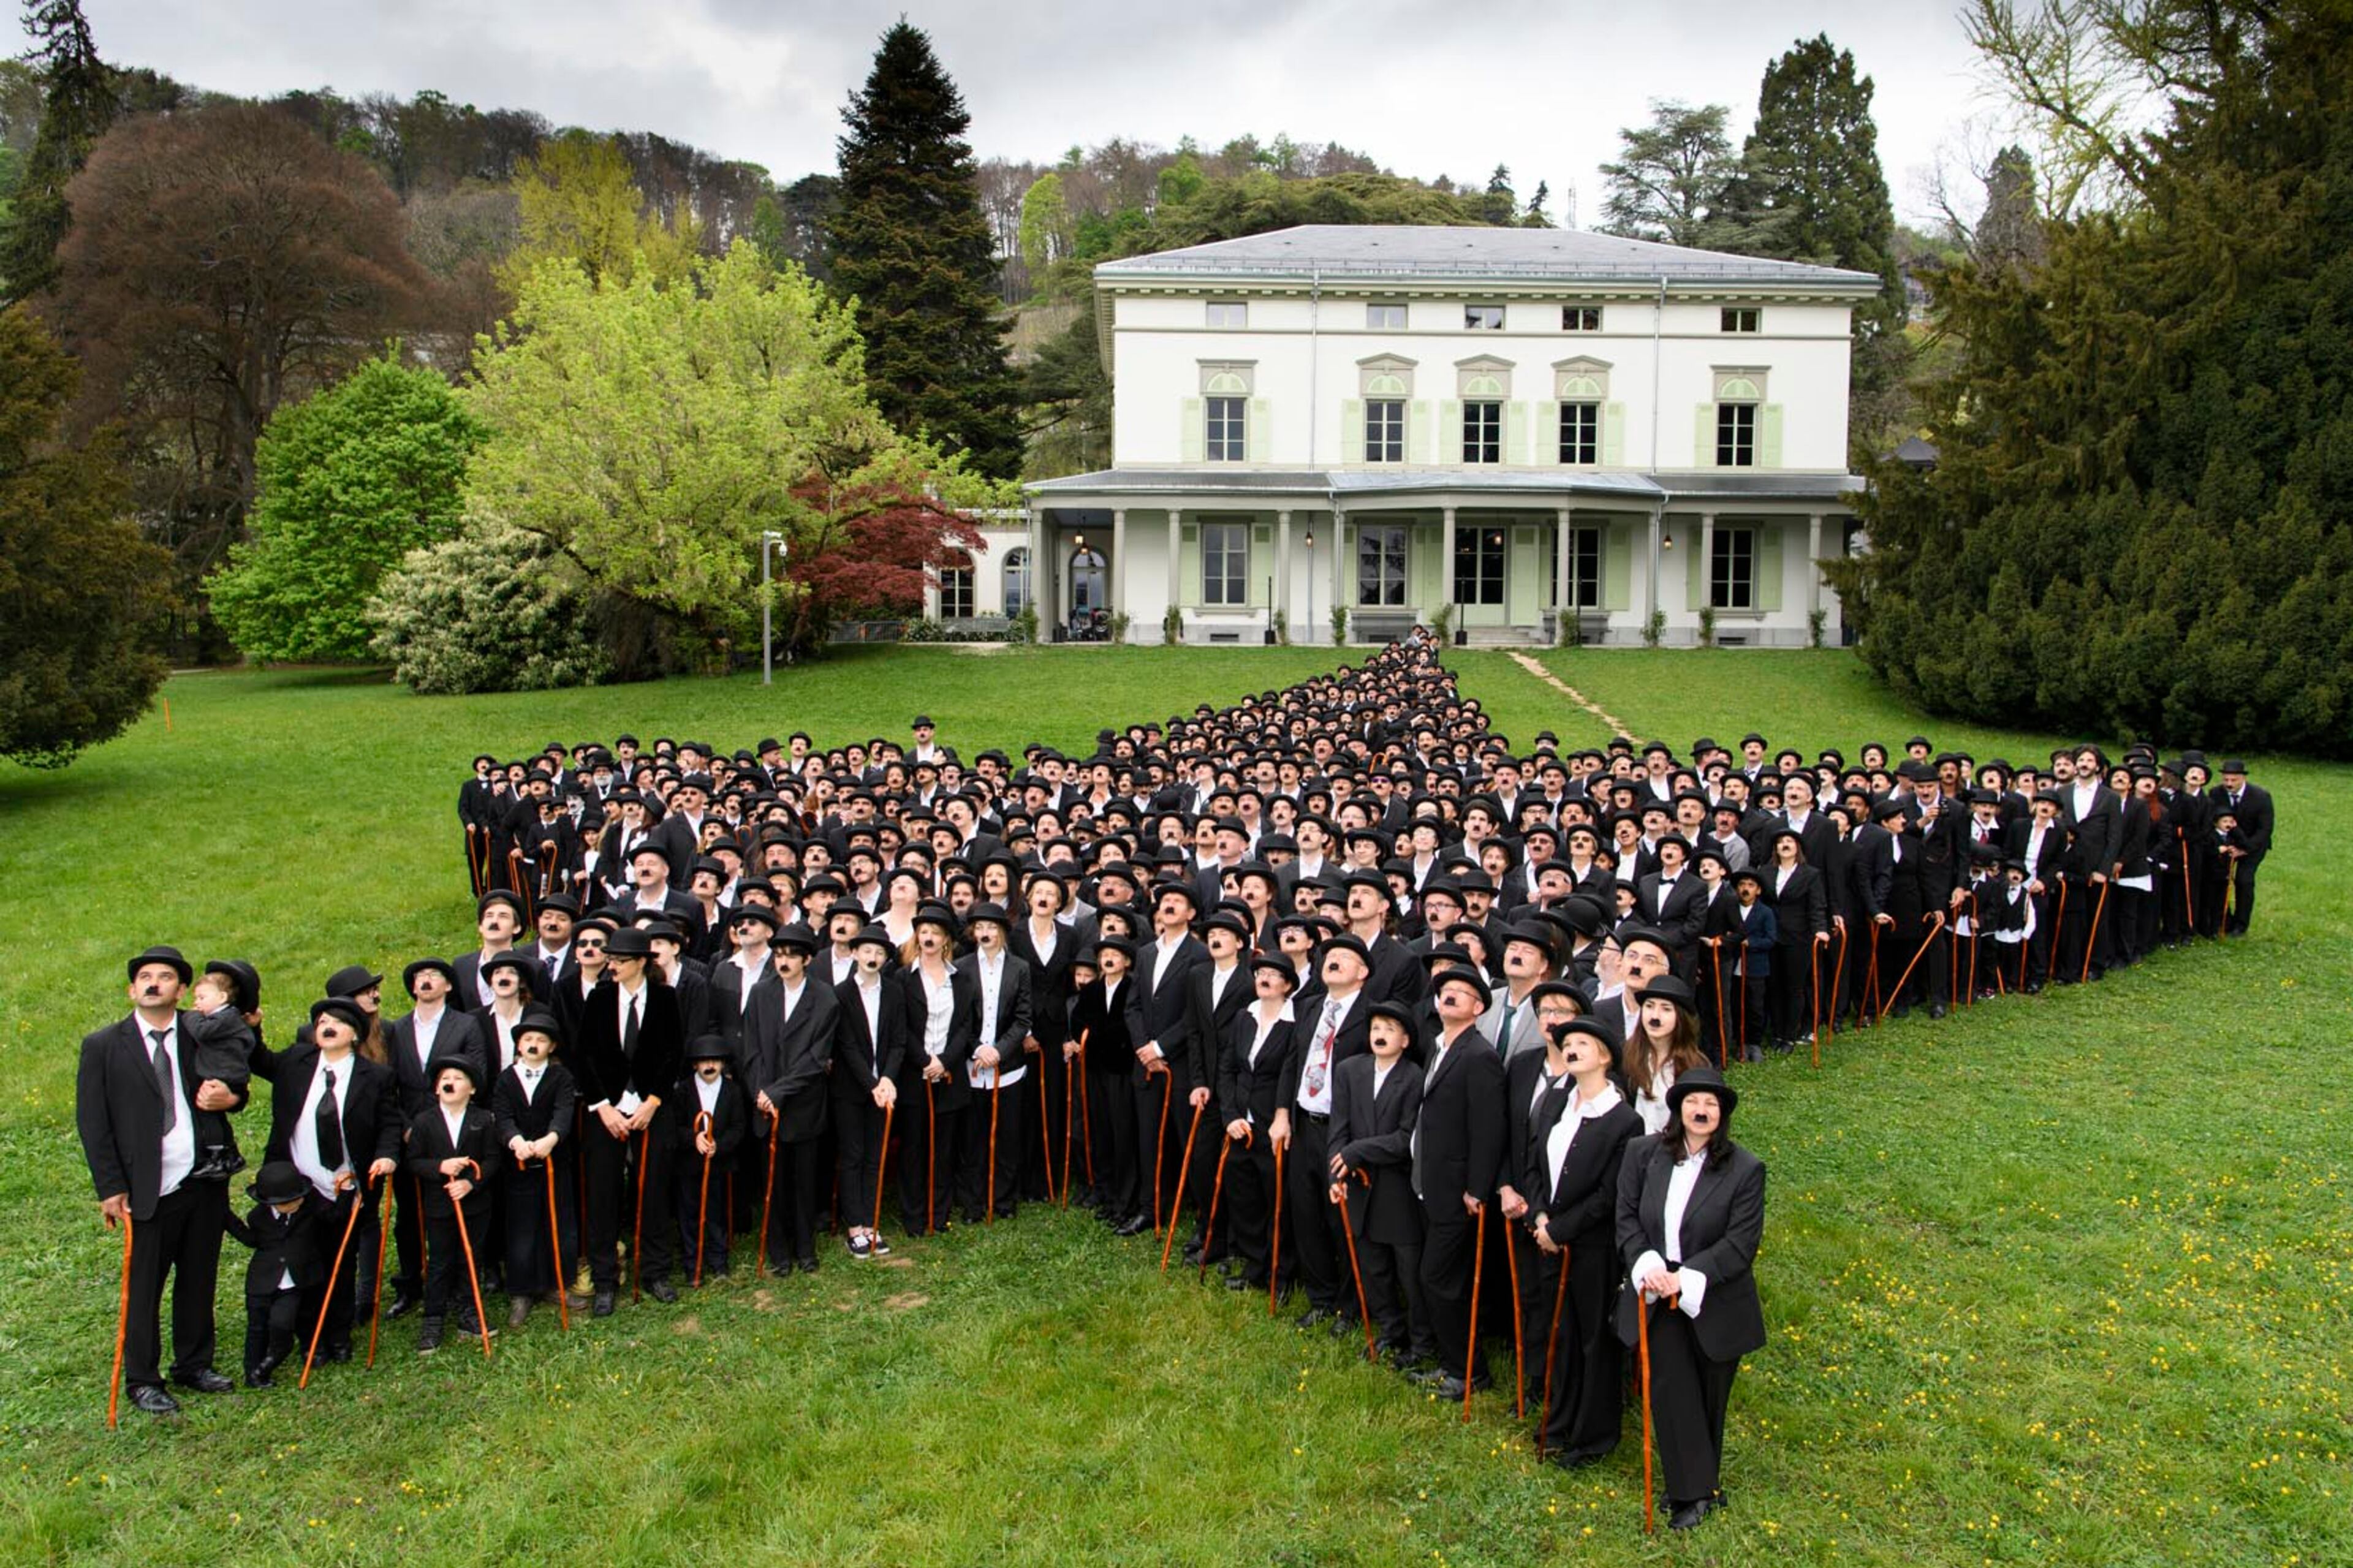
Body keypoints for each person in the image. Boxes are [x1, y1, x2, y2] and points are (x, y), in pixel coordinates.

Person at [77, 945, 248, 1414]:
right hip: (146, 1188)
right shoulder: (104, 1046)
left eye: (166, 976)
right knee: (145, 1285)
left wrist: (230, 1098)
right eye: (145, 977)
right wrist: (111, 1186)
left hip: (203, 1179)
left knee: (199, 1277)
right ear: (133, 989)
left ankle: (193, 1363)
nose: (154, 982)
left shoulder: (199, 1036)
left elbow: (238, 1083)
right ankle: (143, 1377)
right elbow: (93, 1122)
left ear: (181, 990)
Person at [1615, 1064, 1766, 1531]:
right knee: (1671, 1387)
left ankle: (1703, 1481)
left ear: (1722, 1115)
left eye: (1711, 1104)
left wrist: (1689, 1277)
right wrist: (1650, 1267)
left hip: (1714, 1295)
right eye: (1693, 1102)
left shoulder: (1746, 1168)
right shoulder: (1642, 1153)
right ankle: (1691, 1493)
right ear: (1677, 1108)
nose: (1701, 1110)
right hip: (1656, 1286)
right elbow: (1625, 1217)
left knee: (1709, 1394)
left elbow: (1741, 1243)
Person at [251, 995, 403, 1366]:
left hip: (346, 1187)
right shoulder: (296, 1064)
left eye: (337, 1021)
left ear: (354, 1034)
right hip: (299, 1188)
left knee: (341, 1263)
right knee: (304, 1264)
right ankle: (310, 1339)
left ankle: (338, 1335)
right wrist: (253, 1029)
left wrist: (387, 1155)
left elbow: (390, 1122)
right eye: (321, 1021)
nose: (327, 1026)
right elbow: (258, 1061)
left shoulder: (375, 1076)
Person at [1531, 1016, 1640, 1466]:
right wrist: (1540, 1215)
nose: (1571, 1049)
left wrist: (1560, 1230)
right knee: (1559, 1330)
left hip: (1592, 1247)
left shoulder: (1623, 1121)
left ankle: (1592, 1436)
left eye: (1582, 1043)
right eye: (1567, 1043)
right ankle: (1557, 1422)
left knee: (1592, 1338)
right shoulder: (1558, 1103)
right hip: (1547, 1234)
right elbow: (1534, 1158)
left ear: (1606, 1056)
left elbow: (1608, 1195)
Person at [1406, 965, 1506, 1402]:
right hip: (1429, 1179)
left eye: (1461, 993)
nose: (1448, 997)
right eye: (1445, 991)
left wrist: (1477, 1188)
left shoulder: (1479, 1055)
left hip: (1457, 1189)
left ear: (1479, 1007)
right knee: (1439, 1279)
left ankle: (1469, 1371)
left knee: (1440, 1279)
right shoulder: (1438, 1046)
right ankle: (1451, 1362)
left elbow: (1489, 1129)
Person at [574, 925, 685, 1311]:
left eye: (620, 961)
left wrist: (652, 1102)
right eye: (611, 960)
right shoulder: (600, 999)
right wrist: (603, 1106)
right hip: (606, 1110)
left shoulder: (665, 998)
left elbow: (673, 1054)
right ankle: (605, 1279)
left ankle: (654, 1272)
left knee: (653, 1189)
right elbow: (584, 1057)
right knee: (602, 1193)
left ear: (641, 962)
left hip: (651, 1108)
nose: (612, 967)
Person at [1328, 999, 1427, 1368]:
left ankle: (1421, 1341)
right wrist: (1335, 1174)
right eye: (1375, 1029)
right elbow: (1337, 1130)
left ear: (1404, 1040)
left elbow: (1406, 1140)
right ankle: (1389, 1329)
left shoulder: (1414, 1077)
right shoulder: (1350, 1070)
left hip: (1397, 1189)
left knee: (1408, 1270)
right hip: (1358, 1187)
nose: (1380, 1035)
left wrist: (1358, 1151)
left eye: (1389, 1029)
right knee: (1372, 1266)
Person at [746, 922, 838, 1274]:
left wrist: (778, 1091)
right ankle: (778, 1251)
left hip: (803, 1105)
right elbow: (751, 1050)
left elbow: (817, 1058)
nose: (783, 962)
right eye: (779, 955)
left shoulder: (825, 998)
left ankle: (805, 1248)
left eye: (791, 956)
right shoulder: (760, 993)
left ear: (808, 959)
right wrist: (760, 1092)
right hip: (766, 1105)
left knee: (804, 1182)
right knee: (775, 1182)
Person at [492, 1009, 583, 1327]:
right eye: (527, 1039)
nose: (533, 1045)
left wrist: (552, 1139)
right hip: (517, 1164)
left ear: (551, 1047)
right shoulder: (506, 1079)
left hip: (553, 1161)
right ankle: (522, 1290)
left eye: (541, 1040)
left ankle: (557, 1283)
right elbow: (502, 1115)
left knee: (557, 1221)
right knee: (521, 1226)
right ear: (518, 1045)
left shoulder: (560, 1077)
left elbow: (563, 1111)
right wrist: (515, 1140)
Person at [406, 1054, 499, 1353]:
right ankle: (433, 1319)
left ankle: (470, 1313)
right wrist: (440, 1167)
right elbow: (414, 1161)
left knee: (471, 1257)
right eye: (445, 1079)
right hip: (439, 1206)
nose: (450, 1083)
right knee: (440, 1262)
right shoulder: (424, 1121)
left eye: (458, 1079)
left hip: (475, 1205)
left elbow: (493, 1160)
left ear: (472, 1090)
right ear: (436, 1088)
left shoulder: (483, 1120)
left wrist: (470, 1183)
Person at [222, 1160, 328, 1388]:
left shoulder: (310, 1211)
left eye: (299, 1198)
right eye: (289, 1202)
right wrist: (226, 1218)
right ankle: (253, 1371)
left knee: (283, 1323)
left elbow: (333, 1218)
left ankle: (272, 1362)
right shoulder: (257, 1218)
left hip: (293, 1283)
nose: (296, 1204)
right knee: (257, 1327)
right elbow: (252, 1240)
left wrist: (348, 1194)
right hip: (263, 1282)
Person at [673, 1036, 749, 1280]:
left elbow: (738, 1127)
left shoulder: (733, 1091)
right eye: (704, 1061)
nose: (710, 1066)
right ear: (695, 1065)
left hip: (719, 1163)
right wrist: (693, 1138)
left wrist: (721, 1145)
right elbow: (674, 1126)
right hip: (689, 1164)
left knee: (716, 1213)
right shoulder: (683, 1090)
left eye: (715, 1061)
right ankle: (691, 1262)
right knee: (689, 1213)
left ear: (723, 1064)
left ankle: (718, 1261)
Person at [183, 966, 257, 1180]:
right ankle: (229, 1154)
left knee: (209, 1112)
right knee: (214, 1114)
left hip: (226, 1075)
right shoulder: (226, 1018)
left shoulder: (226, 1018)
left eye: (202, 997)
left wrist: (190, 1016)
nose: (196, 1003)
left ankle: (218, 1156)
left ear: (223, 997)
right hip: (225, 1073)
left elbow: (201, 1032)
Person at [2208, 760, 2272, 934]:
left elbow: (2265, 829)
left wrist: (2246, 849)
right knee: (2219, 879)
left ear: (2243, 778)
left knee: (2244, 880)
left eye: (2233, 780)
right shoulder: (2215, 794)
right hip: (2224, 845)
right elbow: (2211, 822)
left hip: (2253, 846)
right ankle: (2223, 920)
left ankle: (2240, 924)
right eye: (2226, 779)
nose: (2229, 784)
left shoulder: (2261, 797)